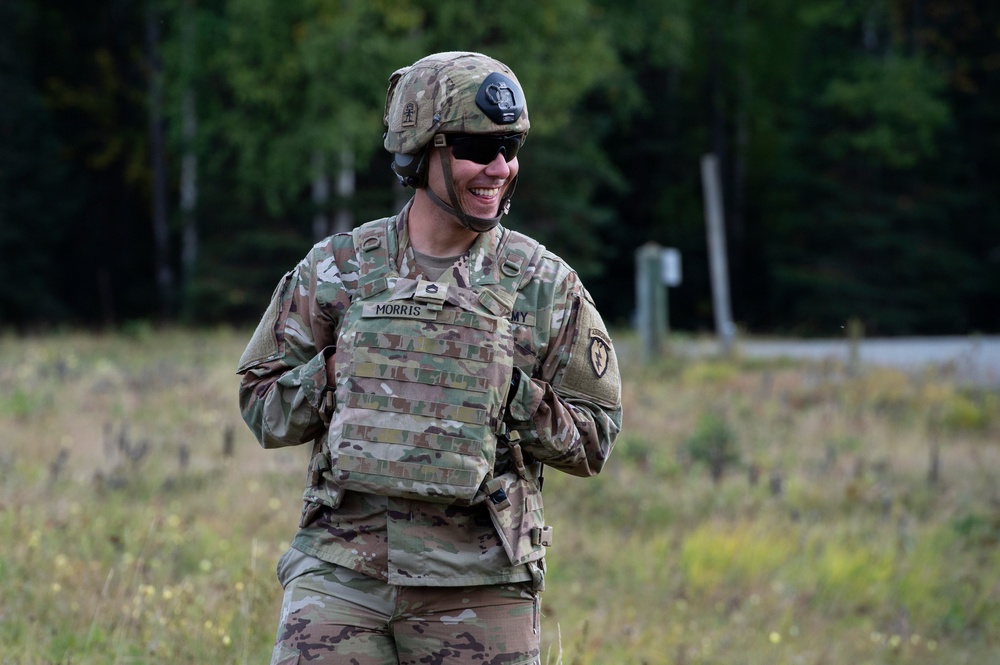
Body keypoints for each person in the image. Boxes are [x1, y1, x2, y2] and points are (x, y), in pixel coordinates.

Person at [237, 51, 622, 665]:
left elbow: (596, 439)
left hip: (481, 587)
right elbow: (261, 406)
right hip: (341, 573)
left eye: (511, 144)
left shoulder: (544, 285)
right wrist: (338, 373)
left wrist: (508, 392)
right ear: (420, 150)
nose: (499, 166)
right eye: (477, 146)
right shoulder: (339, 268)